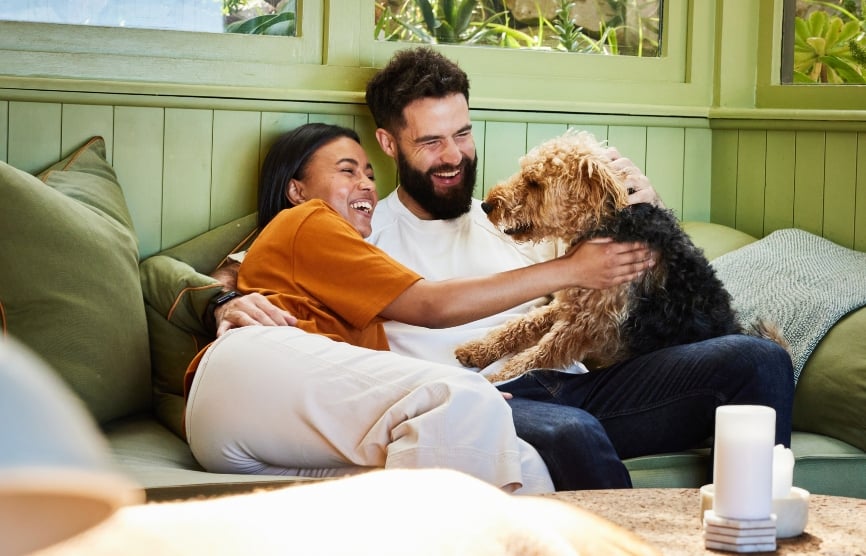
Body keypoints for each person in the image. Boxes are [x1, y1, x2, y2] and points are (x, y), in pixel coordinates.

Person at [212, 48, 795, 490]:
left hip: (576, 384)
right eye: (431, 142)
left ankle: (761, 527)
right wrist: (222, 302)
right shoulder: (358, 224)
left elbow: (646, 290)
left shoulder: (523, 216)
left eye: (462, 133)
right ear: (389, 144)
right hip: (476, 400)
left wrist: (644, 209)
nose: (453, 156)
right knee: (572, 434)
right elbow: (236, 270)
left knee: (761, 360)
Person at [184, 123, 654, 495]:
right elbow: (429, 303)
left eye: (369, 173)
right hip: (253, 379)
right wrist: (574, 269)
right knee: (464, 399)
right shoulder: (308, 220)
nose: (366, 184)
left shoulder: (334, 258)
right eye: (347, 171)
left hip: (259, 432)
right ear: (296, 191)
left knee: (526, 467)